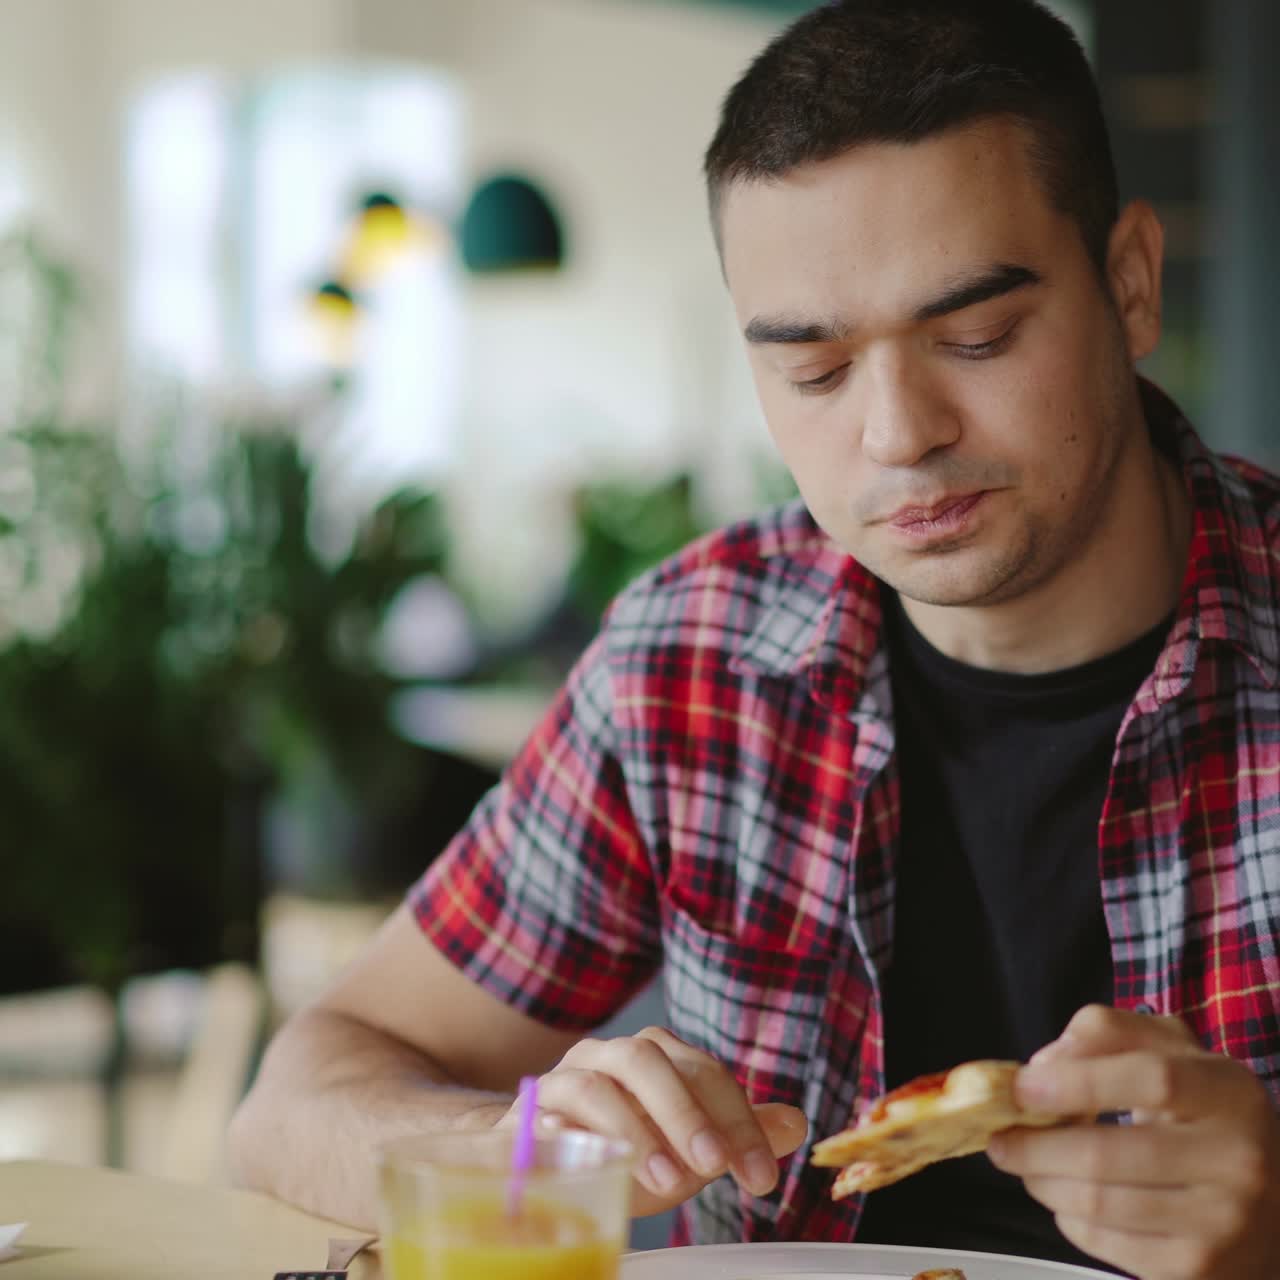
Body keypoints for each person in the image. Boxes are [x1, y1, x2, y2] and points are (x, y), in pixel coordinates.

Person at [229, 2, 1280, 1276]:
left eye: (976, 335)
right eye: (815, 369)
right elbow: (296, 1097)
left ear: (1128, 282)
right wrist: (517, 1139)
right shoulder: (692, 657)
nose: (897, 433)